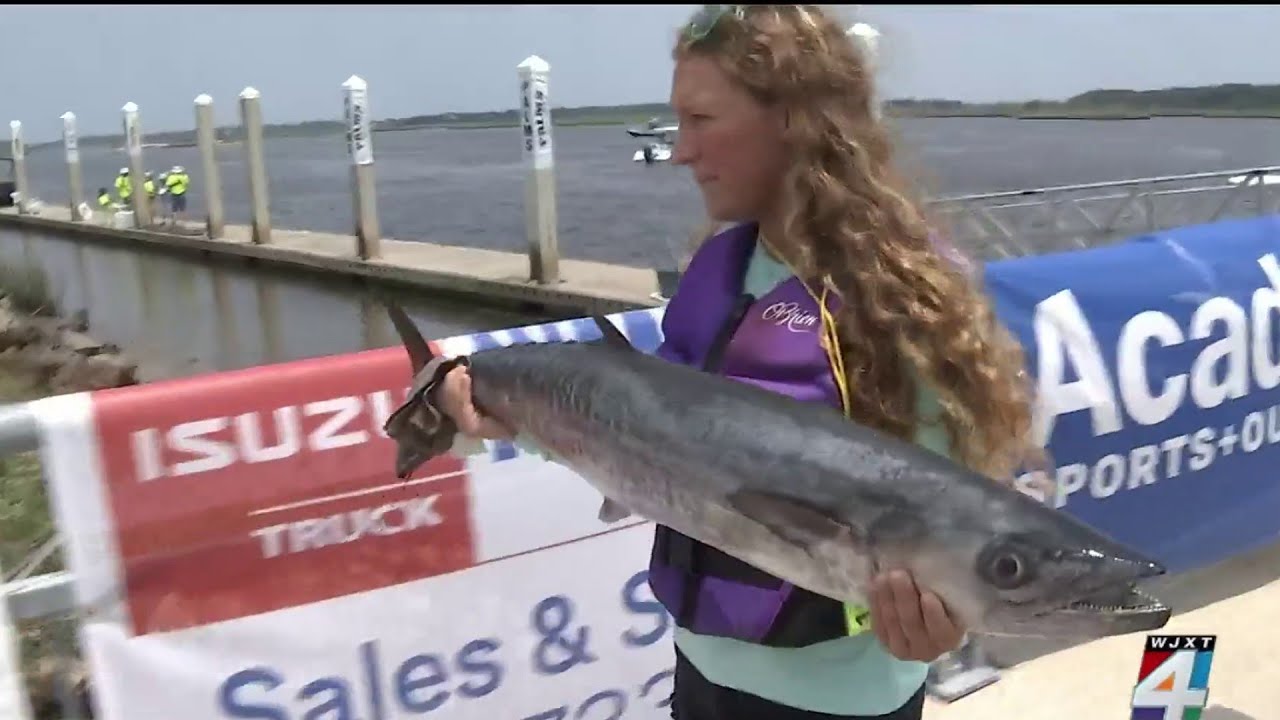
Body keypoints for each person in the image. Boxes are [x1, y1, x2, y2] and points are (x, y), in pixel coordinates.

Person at [432, 6, 1039, 719]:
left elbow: (955, 523)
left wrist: (936, 625)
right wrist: (498, 417)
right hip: (700, 669)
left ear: (792, 119)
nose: (683, 151)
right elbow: (637, 435)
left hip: (837, 702)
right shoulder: (719, 269)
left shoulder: (913, 299)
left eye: (701, 121)